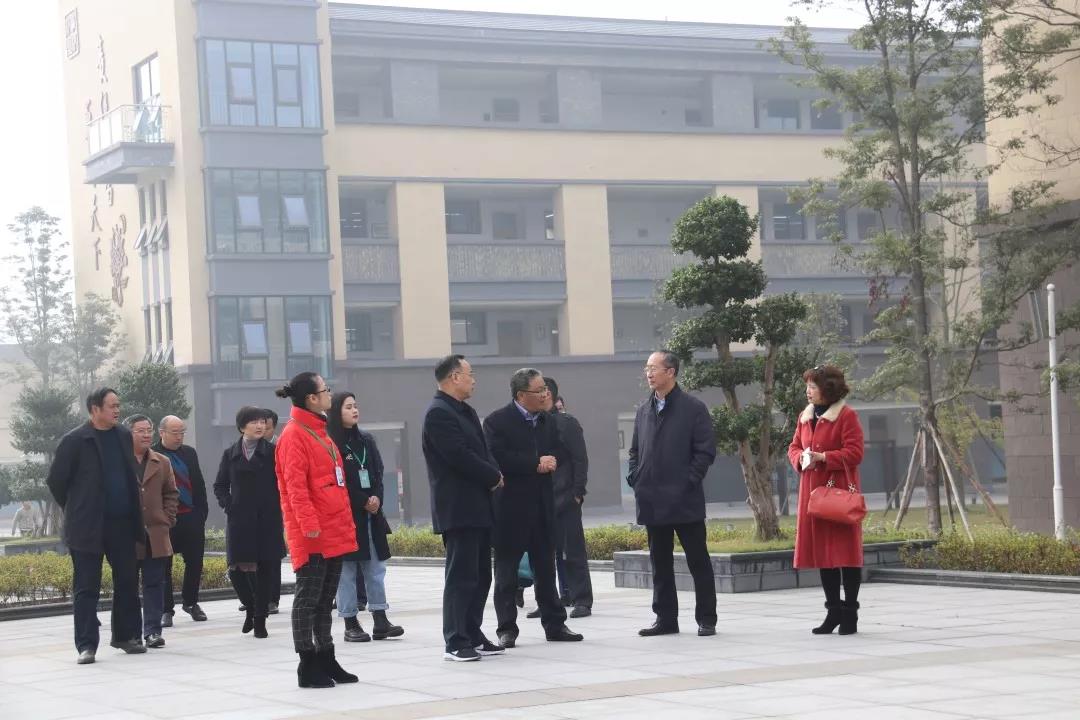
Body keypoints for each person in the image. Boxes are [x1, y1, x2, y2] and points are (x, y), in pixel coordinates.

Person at [484, 368, 582, 649]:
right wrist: (534, 463)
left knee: (546, 570)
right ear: (521, 395)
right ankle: (506, 629)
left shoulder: (547, 420)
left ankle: (555, 624)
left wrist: (552, 460)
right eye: (539, 391)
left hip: (542, 507)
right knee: (506, 574)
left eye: (545, 390)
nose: (544, 395)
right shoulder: (496, 422)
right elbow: (497, 458)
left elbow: (559, 450)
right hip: (510, 509)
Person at [46, 388, 146, 664]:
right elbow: (56, 482)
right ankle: (86, 645)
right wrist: (78, 508)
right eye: (112, 406)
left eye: (118, 405)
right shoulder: (75, 441)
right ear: (95, 409)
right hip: (87, 526)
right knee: (86, 586)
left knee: (127, 581)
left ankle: (126, 636)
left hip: (122, 524)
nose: (117, 410)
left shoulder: (123, 435)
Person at [275, 372, 359, 688]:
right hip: (311, 533)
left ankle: (326, 656)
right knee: (307, 599)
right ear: (312, 398)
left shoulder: (319, 430)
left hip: (332, 527)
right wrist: (309, 526)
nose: (329, 394)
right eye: (325, 390)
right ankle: (307, 663)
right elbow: (295, 488)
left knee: (325, 601)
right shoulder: (293, 435)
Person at [628, 351, 718, 638]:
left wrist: (688, 481)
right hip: (652, 498)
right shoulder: (644, 410)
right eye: (647, 368)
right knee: (660, 563)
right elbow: (635, 451)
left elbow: (705, 451)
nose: (648, 373)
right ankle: (665, 619)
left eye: (654, 368)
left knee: (698, 560)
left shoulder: (693, 408)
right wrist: (635, 477)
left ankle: (707, 618)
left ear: (671, 372)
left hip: (684, 499)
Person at [422, 354, 505, 662]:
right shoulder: (438, 413)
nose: (474, 380)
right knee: (461, 576)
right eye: (470, 374)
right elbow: (458, 456)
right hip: (458, 507)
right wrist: (492, 476)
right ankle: (455, 640)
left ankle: (472, 632)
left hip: (479, 505)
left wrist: (495, 473)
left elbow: (482, 450)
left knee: (481, 575)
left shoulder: (464, 411)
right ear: (454, 377)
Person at [788, 364, 865, 635]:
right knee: (823, 554)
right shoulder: (805, 416)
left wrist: (823, 457)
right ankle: (833, 612)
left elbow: (855, 453)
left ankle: (850, 613)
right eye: (807, 386)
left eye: (813, 386)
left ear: (828, 389)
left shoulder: (846, 416)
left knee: (846, 554)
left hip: (839, 493)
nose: (808, 391)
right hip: (813, 493)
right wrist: (800, 458)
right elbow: (794, 446)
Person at [327, 392, 403, 643]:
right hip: (346, 516)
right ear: (336, 412)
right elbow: (335, 481)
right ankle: (351, 623)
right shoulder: (331, 443)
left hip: (372, 515)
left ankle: (381, 620)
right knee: (347, 571)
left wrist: (377, 498)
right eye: (348, 407)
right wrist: (363, 500)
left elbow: (378, 472)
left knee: (376, 568)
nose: (354, 410)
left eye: (355, 406)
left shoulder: (367, 440)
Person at [214, 406, 284, 639]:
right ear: (242, 426)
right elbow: (220, 485)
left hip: (267, 519)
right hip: (240, 520)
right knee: (236, 571)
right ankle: (251, 606)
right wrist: (229, 504)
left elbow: (285, 482)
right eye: (254, 422)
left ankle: (260, 620)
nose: (260, 425)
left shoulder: (274, 452)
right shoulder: (230, 453)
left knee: (265, 571)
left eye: (262, 422)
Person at [125, 414, 178, 649]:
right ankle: (131, 633)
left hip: (156, 532)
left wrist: (167, 519)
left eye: (149, 430)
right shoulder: (119, 461)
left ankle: (153, 631)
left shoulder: (162, 461)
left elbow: (171, 493)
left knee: (155, 583)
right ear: (128, 434)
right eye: (140, 431)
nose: (146, 435)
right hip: (127, 534)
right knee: (127, 585)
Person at [542, 378, 592, 619]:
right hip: (541, 499)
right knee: (545, 554)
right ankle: (553, 598)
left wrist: (578, 493)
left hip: (566, 497)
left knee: (573, 551)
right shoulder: (531, 424)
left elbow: (580, 459)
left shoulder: (567, 423)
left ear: (548, 394)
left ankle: (582, 599)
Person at [154, 415, 209, 626]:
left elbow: (199, 484)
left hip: (190, 516)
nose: (179, 437)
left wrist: (201, 513)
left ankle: (191, 602)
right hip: (165, 519)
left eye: (182, 432)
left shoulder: (189, 453)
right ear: (162, 433)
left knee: (195, 562)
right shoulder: (153, 454)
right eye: (175, 433)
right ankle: (166, 609)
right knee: (164, 565)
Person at [260, 408, 283, 615]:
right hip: (252, 513)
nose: (261, 430)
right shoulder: (247, 449)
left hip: (275, 509)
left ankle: (272, 599)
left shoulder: (280, 448)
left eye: (265, 427)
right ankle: (256, 597)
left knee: (273, 556)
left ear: (273, 428)